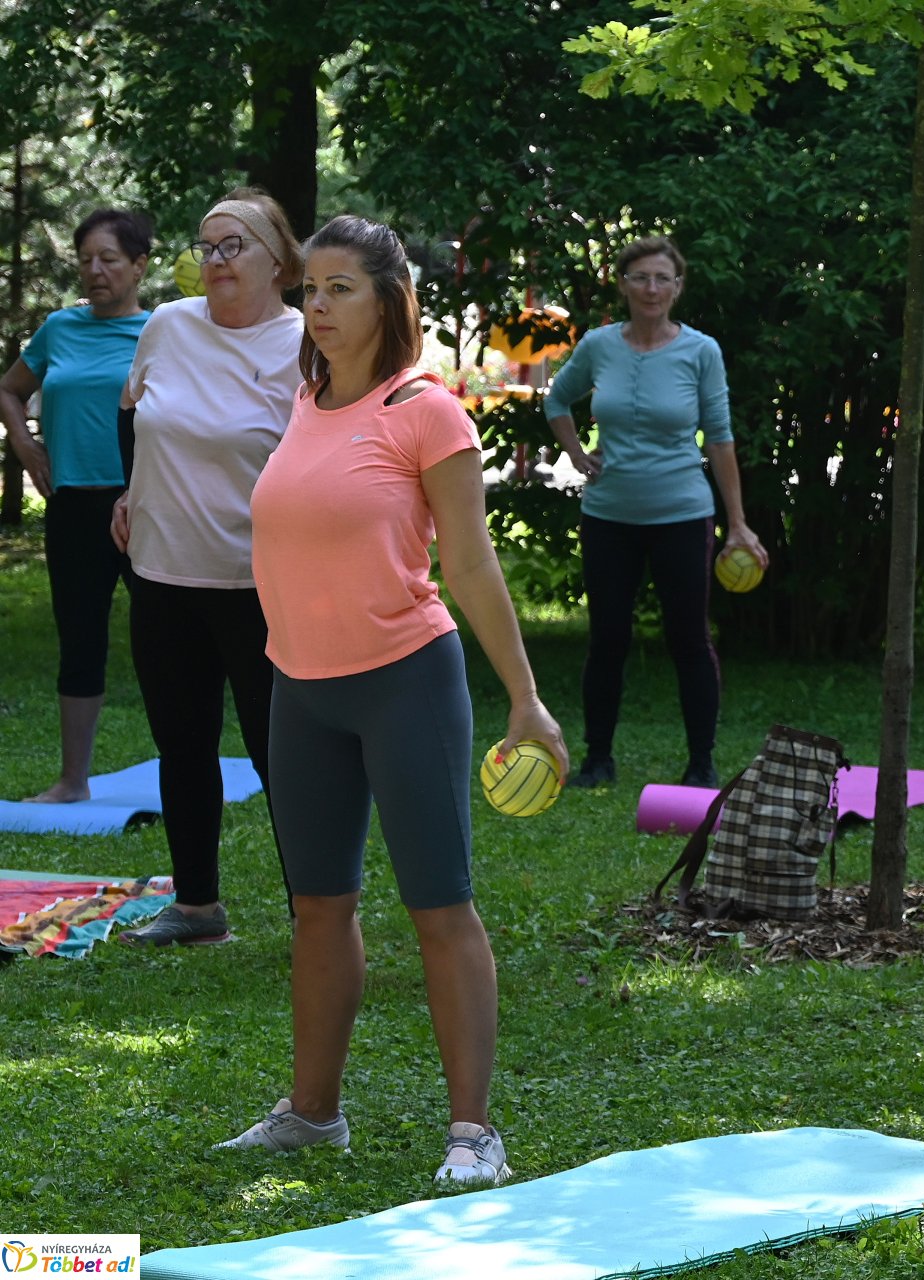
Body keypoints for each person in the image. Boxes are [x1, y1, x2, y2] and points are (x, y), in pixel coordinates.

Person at [224, 215, 567, 1183]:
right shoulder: (306, 398)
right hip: (300, 688)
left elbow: (470, 563)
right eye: (311, 289)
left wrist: (526, 698)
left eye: (340, 288)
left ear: (390, 300)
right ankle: (312, 1113)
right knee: (317, 905)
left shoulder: (428, 410)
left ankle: (474, 1133)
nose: (317, 306)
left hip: (405, 680)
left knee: (439, 904)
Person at [114, 188, 306, 948]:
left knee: (281, 753)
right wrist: (129, 490)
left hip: (261, 584)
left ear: (278, 261)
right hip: (162, 573)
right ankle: (197, 908)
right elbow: (134, 411)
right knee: (182, 746)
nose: (216, 260)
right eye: (207, 246)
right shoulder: (168, 324)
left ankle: (316, 916)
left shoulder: (305, 340)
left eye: (234, 245)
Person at [543, 235, 766, 791]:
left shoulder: (701, 351)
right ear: (623, 285)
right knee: (607, 639)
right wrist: (576, 454)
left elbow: (720, 437)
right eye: (640, 277)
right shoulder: (598, 346)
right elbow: (556, 399)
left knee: (689, 639)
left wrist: (737, 523)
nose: (651, 288)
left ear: (678, 287)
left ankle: (701, 763)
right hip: (608, 515)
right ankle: (598, 759)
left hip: (682, 516)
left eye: (662, 278)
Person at [0, 210, 152, 803]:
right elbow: (9, 389)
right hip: (72, 509)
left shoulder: (162, 332)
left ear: (139, 266)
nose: (95, 270)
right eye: (86, 259)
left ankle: (187, 767)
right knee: (79, 640)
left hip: (144, 508)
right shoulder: (59, 328)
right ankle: (72, 781)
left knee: (167, 641)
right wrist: (24, 442)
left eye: (109, 259)